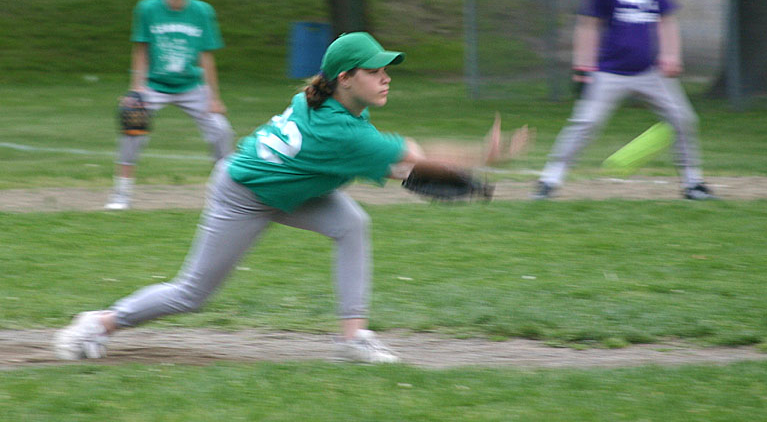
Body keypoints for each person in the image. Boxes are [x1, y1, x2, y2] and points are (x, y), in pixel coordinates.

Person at [56, 32, 526, 364]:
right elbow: (414, 159)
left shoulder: (324, 99)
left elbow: (404, 160)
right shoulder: (340, 130)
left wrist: (428, 166)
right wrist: (481, 156)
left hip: (291, 188)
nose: (386, 78)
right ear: (345, 78)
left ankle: (354, 339)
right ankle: (98, 324)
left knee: (352, 224)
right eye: (374, 71)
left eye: (387, 70)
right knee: (193, 294)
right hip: (242, 195)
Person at [533, 0, 715, 201]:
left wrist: (671, 55)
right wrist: (583, 66)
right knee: (586, 124)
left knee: (683, 118)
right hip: (609, 72)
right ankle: (549, 180)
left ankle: (693, 184)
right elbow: (588, 25)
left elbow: (666, 20)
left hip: (650, 71)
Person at [105, 0, 235, 210]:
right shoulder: (147, 9)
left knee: (221, 131)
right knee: (132, 130)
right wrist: (136, 89)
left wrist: (214, 98)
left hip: (192, 86)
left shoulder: (202, 11)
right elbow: (141, 48)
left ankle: (229, 194)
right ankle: (122, 194)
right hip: (154, 85)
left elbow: (206, 56)